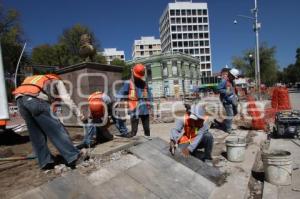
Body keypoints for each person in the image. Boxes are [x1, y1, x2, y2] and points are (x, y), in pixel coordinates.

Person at [13, 74, 84, 169]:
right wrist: (79, 114)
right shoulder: (57, 81)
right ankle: (74, 157)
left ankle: (45, 162)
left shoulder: (35, 79)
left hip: (20, 102)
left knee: (36, 135)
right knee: (57, 130)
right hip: (35, 100)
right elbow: (67, 99)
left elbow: (44, 101)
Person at [116, 63, 153, 138]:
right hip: (134, 109)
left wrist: (151, 105)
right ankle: (131, 140)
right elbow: (120, 93)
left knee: (147, 130)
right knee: (134, 132)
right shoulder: (128, 83)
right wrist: (117, 102)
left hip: (144, 109)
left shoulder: (144, 83)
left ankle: (148, 140)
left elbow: (150, 95)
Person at [216, 68, 239, 133]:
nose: (234, 78)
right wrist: (226, 91)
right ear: (230, 75)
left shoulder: (232, 81)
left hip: (232, 100)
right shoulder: (224, 81)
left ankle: (225, 123)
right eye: (234, 77)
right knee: (230, 114)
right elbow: (218, 89)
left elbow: (233, 90)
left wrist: (236, 97)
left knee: (235, 112)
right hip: (226, 100)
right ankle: (228, 129)